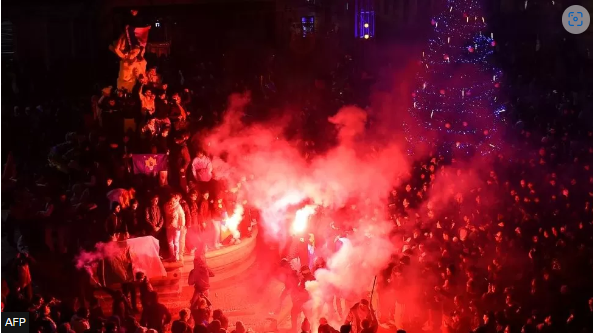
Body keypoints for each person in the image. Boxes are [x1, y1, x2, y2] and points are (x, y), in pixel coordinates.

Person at [164, 194, 186, 261]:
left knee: (176, 242)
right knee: (170, 242)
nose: (172, 202)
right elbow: (166, 214)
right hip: (169, 226)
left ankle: (176, 256)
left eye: (173, 201)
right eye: (171, 201)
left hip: (177, 227)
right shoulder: (166, 206)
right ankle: (172, 255)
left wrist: (182, 225)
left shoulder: (178, 206)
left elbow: (182, 216)